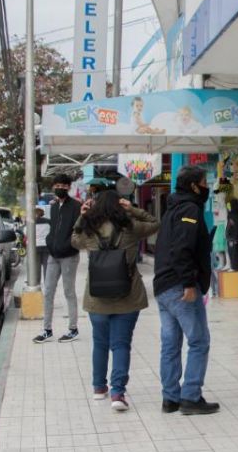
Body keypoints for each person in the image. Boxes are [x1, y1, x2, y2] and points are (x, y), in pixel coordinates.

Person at [71, 190, 160, 412]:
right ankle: (117, 392)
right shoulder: (130, 226)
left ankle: (99, 388)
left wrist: (83, 215)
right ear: (120, 206)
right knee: (121, 344)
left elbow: (74, 240)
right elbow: (155, 222)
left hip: (96, 297)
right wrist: (133, 209)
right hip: (128, 295)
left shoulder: (89, 229)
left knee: (100, 342)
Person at [154, 165, 219, 415]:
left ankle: (170, 398)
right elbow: (182, 248)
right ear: (193, 186)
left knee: (170, 343)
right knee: (199, 340)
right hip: (179, 287)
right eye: (204, 182)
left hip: (163, 285)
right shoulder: (189, 209)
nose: (206, 186)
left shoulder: (173, 208)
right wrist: (190, 283)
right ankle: (191, 396)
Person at [34, 175, 81, 344]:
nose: (59, 188)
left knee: (69, 292)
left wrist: (69, 245)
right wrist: (50, 243)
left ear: (68, 187)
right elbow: (53, 229)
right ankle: (47, 330)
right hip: (53, 255)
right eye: (57, 185)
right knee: (48, 292)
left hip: (69, 255)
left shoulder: (77, 206)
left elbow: (79, 231)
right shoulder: (53, 207)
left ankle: (73, 329)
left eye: (62, 185)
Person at [33, 207, 50, 281]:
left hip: (35, 247)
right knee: (47, 267)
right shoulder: (48, 221)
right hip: (46, 247)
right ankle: (47, 284)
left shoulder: (31, 223)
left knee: (36, 268)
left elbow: (26, 233)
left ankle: (37, 284)